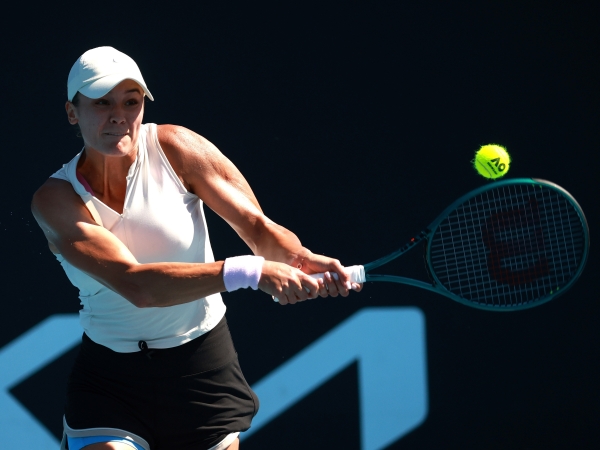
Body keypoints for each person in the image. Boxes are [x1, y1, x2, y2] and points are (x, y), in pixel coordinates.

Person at [31, 46, 361, 450]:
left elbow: (258, 227)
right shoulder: (56, 200)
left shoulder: (176, 148)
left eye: (131, 102)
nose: (119, 116)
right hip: (110, 382)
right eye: (102, 102)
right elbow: (137, 286)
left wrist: (297, 258)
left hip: (201, 368)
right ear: (72, 112)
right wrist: (251, 271)